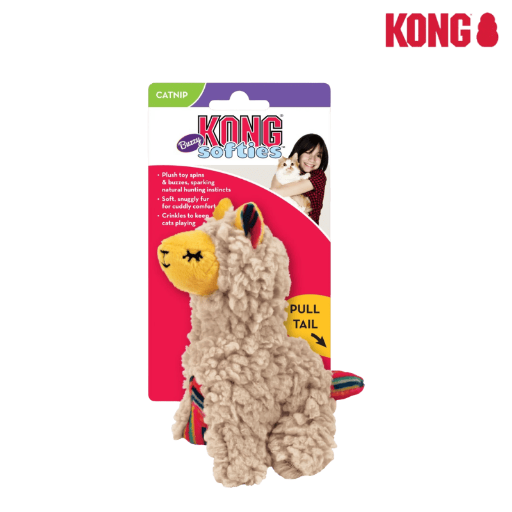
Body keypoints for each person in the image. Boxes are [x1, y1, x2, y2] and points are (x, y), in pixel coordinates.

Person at [270, 134, 329, 225]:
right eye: (308, 152)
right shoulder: (284, 171)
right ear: (298, 154)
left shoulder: (318, 176)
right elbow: (273, 194)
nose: (312, 159)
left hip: (306, 228)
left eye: (318, 155)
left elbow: (277, 192)